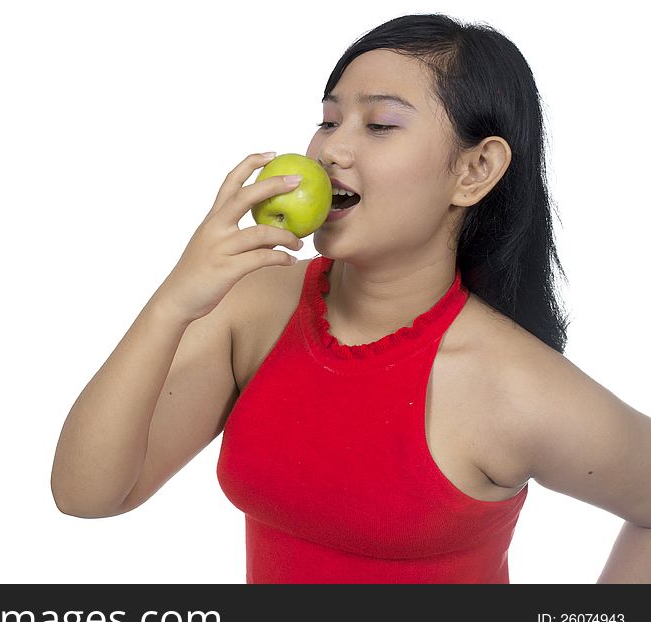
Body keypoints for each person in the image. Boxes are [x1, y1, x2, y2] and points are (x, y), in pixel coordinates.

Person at [50, 13, 651, 583]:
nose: (330, 151)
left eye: (380, 124)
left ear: (474, 170)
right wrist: (172, 303)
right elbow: (88, 495)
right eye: (329, 120)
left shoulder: (514, 384)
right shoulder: (256, 308)